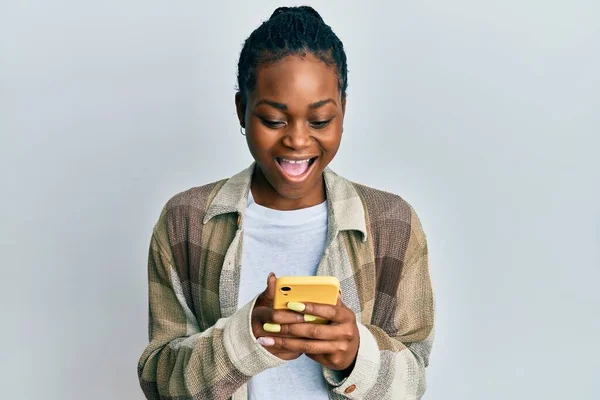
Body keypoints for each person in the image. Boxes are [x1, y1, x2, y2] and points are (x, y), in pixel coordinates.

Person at [137, 6, 434, 400]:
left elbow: (414, 380)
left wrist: (356, 356)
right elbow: (159, 382)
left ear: (343, 109)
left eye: (320, 121)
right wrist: (244, 341)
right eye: (275, 120)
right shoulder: (185, 223)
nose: (296, 139)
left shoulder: (392, 224)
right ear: (242, 108)